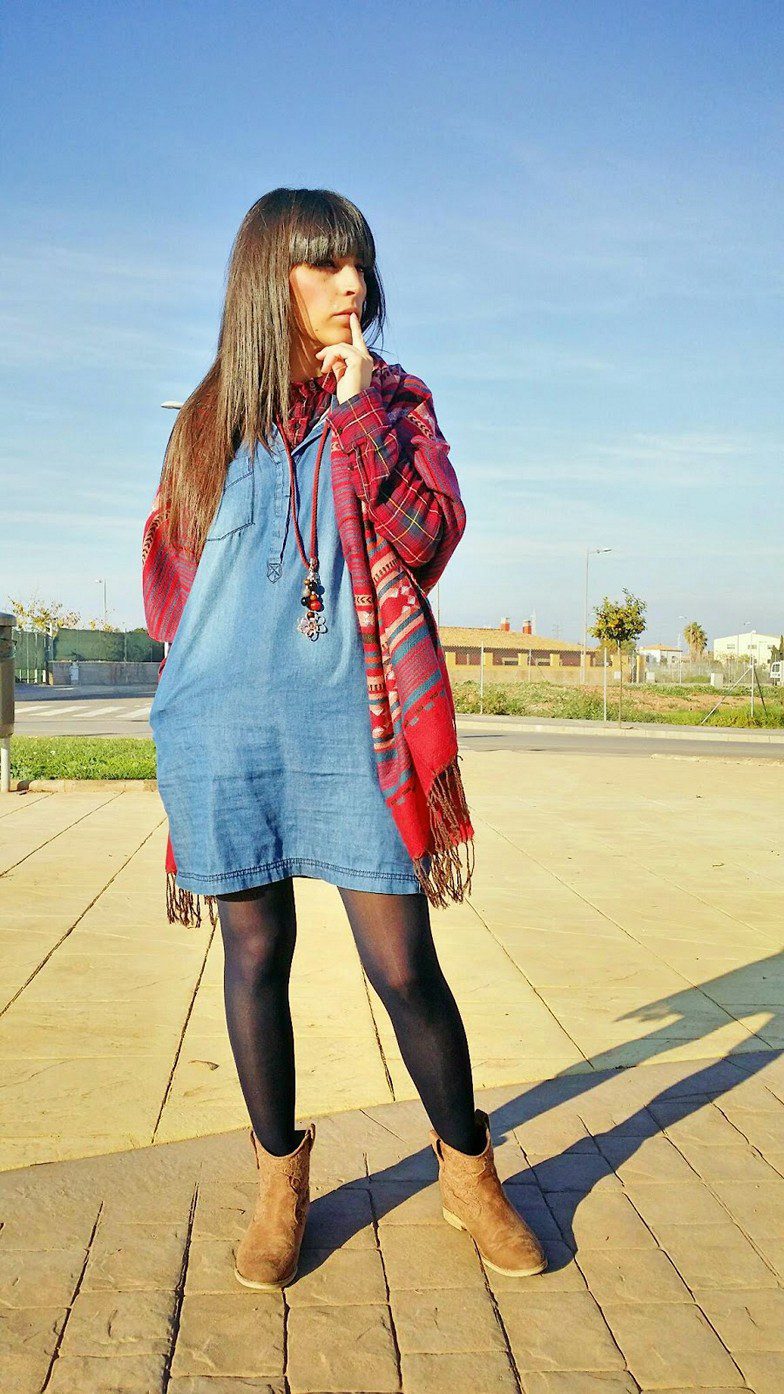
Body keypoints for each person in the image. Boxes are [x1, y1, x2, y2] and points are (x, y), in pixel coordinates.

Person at [141, 187, 547, 1290]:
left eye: (358, 264)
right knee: (254, 952)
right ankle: (281, 1175)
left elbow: (424, 535)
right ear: (267, 281)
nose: (351, 284)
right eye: (323, 266)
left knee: (402, 961)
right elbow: (170, 579)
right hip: (223, 725)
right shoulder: (207, 418)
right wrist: (189, 689)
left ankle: (467, 1171)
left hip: (354, 724)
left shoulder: (399, 402)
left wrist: (361, 411)